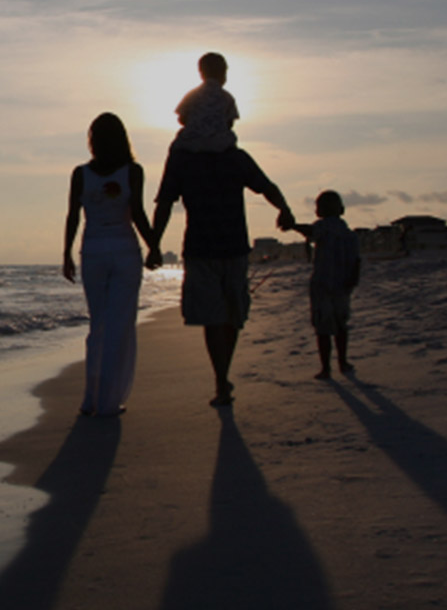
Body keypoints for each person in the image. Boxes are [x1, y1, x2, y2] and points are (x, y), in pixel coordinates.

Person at [146, 55, 295, 406]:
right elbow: (266, 186)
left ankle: (221, 378)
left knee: (217, 319)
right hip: (232, 246)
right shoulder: (233, 155)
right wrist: (285, 210)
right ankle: (222, 377)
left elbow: (165, 202)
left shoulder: (182, 155)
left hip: (200, 247)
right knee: (232, 315)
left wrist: (154, 245)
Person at [63, 112, 159, 417]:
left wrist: (66, 253)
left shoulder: (81, 173)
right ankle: (109, 399)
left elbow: (73, 216)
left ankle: (91, 399)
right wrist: (154, 245)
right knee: (120, 324)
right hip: (124, 248)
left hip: (92, 250)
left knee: (99, 325)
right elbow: (139, 213)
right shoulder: (132, 171)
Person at [291, 191, 361, 379]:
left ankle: (326, 368)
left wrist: (293, 226)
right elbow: (357, 262)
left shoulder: (322, 227)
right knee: (341, 326)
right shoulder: (350, 235)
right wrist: (353, 281)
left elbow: (311, 232)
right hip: (343, 285)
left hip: (322, 284)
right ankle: (343, 362)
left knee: (323, 329)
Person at [170, 52, 239, 153]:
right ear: (223, 73)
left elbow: (182, 119)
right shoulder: (227, 97)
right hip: (220, 144)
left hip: (190, 143)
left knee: (174, 153)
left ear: (201, 73)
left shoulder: (191, 95)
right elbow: (230, 122)